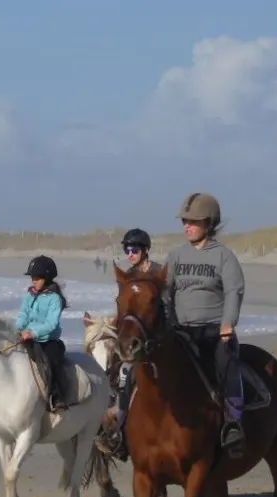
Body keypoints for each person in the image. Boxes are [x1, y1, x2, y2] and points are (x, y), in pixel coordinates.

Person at [166, 192, 247, 458]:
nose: (187, 226)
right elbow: (165, 293)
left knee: (227, 366)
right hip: (182, 332)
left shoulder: (223, 256)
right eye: (184, 222)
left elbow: (234, 290)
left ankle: (234, 423)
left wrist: (228, 324)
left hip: (214, 330)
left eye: (193, 221)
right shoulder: (176, 256)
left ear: (209, 223)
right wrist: (168, 322)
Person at [99, 228, 165, 456]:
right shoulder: (127, 276)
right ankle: (121, 431)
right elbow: (125, 312)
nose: (130, 254)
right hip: (134, 337)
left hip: (157, 338)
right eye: (127, 250)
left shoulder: (158, 274)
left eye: (134, 250)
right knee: (117, 373)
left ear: (145, 250)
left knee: (130, 373)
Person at [14, 255, 70, 410]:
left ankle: (58, 396)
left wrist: (33, 333)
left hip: (47, 340)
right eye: (32, 278)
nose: (34, 281)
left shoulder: (54, 298)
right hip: (27, 336)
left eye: (38, 278)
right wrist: (18, 327)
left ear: (47, 278)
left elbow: (51, 323)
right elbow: (23, 315)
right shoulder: (29, 295)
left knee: (51, 361)